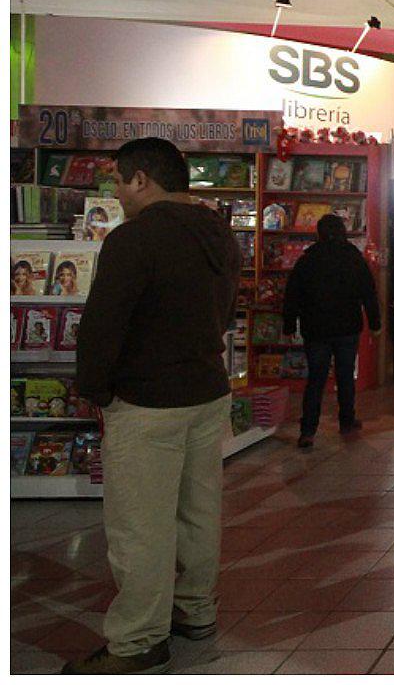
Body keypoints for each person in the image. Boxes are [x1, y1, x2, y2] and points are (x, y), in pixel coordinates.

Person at [68, 137, 241, 674]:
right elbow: (225, 312)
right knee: (198, 512)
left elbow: (104, 323)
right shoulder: (219, 235)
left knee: (141, 524)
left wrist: (94, 388)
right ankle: (195, 611)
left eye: (120, 181)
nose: (117, 193)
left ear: (142, 179)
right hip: (206, 391)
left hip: (147, 399)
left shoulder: (134, 240)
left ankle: (139, 639)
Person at [283, 214, 381, 448]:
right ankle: (346, 420)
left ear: (319, 233)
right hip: (347, 326)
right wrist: (375, 324)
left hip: (315, 328)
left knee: (315, 378)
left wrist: (288, 325)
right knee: (345, 375)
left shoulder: (308, 259)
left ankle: (308, 430)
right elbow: (369, 293)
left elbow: (292, 295)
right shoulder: (353, 258)